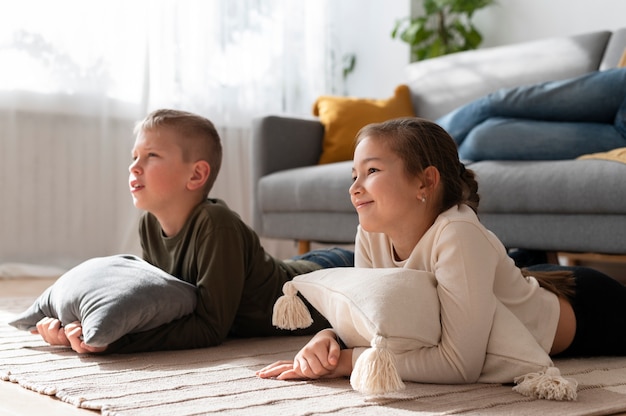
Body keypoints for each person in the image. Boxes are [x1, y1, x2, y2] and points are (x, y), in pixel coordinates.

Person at [257, 117, 626, 383]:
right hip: (526, 284)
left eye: (371, 171)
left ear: (425, 181)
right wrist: (329, 339)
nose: (355, 187)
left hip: (589, 307)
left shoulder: (457, 233)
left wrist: (350, 362)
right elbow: (374, 324)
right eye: (353, 175)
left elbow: (458, 364)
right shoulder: (371, 232)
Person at [33, 109, 353, 354]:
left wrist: (116, 341)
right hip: (306, 265)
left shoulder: (217, 224)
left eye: (151, 156)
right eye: (134, 157)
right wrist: (77, 325)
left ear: (196, 174)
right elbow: (159, 304)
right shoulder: (149, 222)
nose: (133, 166)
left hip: (327, 278)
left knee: (391, 275)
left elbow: (211, 327)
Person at [436, 67, 626, 161]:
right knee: (496, 101)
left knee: (481, 138)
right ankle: (420, 138)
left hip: (621, 136)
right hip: (622, 85)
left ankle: (424, 150)